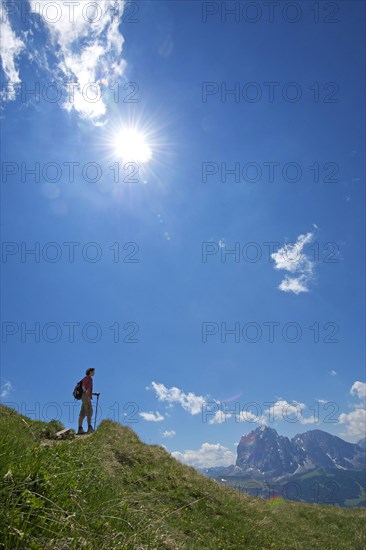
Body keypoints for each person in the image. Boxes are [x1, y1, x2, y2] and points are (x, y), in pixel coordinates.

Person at [77, 368, 96, 435]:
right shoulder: (88, 378)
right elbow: (83, 386)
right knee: (89, 411)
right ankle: (89, 428)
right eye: (93, 372)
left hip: (85, 396)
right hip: (85, 396)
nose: (94, 373)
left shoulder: (88, 378)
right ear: (90, 372)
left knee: (83, 413)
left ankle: (80, 429)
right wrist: (85, 391)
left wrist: (93, 393)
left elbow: (87, 388)